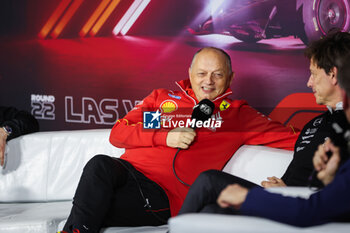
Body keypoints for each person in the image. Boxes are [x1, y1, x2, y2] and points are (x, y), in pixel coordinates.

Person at [62, 47, 298, 233]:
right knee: (99, 166)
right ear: (189, 74)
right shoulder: (164, 102)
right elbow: (119, 133)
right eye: (202, 73)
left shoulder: (237, 116)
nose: (209, 81)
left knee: (88, 210)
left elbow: (296, 139)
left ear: (230, 78)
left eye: (218, 74)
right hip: (127, 177)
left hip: (161, 198)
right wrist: (166, 137)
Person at [178, 32, 350, 227]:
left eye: (313, 74)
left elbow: (329, 197)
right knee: (211, 211)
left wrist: (263, 196)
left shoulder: (343, 128)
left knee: (209, 180)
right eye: (201, 73)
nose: (308, 83)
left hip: (304, 207)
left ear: (333, 75)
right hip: (286, 198)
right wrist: (282, 187)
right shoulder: (315, 124)